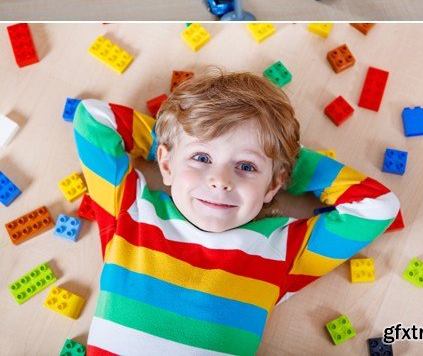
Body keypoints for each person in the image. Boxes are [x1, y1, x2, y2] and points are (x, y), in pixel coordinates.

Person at [73, 69, 400, 355]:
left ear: (274, 187)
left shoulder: (280, 251)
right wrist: (174, 141)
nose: (220, 181)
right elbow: (94, 119)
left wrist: (284, 163)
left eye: (246, 165)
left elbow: (377, 207)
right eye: (201, 158)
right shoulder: (132, 211)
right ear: (165, 163)